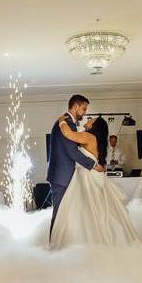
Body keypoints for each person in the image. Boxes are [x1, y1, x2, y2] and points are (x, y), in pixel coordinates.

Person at [50, 115, 140, 249]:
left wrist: (61, 121)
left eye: (90, 121)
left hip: (87, 176)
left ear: (94, 126)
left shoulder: (88, 137)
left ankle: (87, 241)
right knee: (96, 208)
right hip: (92, 175)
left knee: (85, 208)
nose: (87, 121)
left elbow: (68, 134)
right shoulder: (96, 140)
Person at [46, 95, 105, 241]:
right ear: (76, 106)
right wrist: (93, 165)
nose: (85, 113)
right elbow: (72, 152)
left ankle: (64, 244)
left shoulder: (66, 123)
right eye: (84, 109)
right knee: (59, 214)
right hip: (61, 177)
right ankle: (53, 246)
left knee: (67, 214)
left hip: (65, 176)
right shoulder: (66, 123)